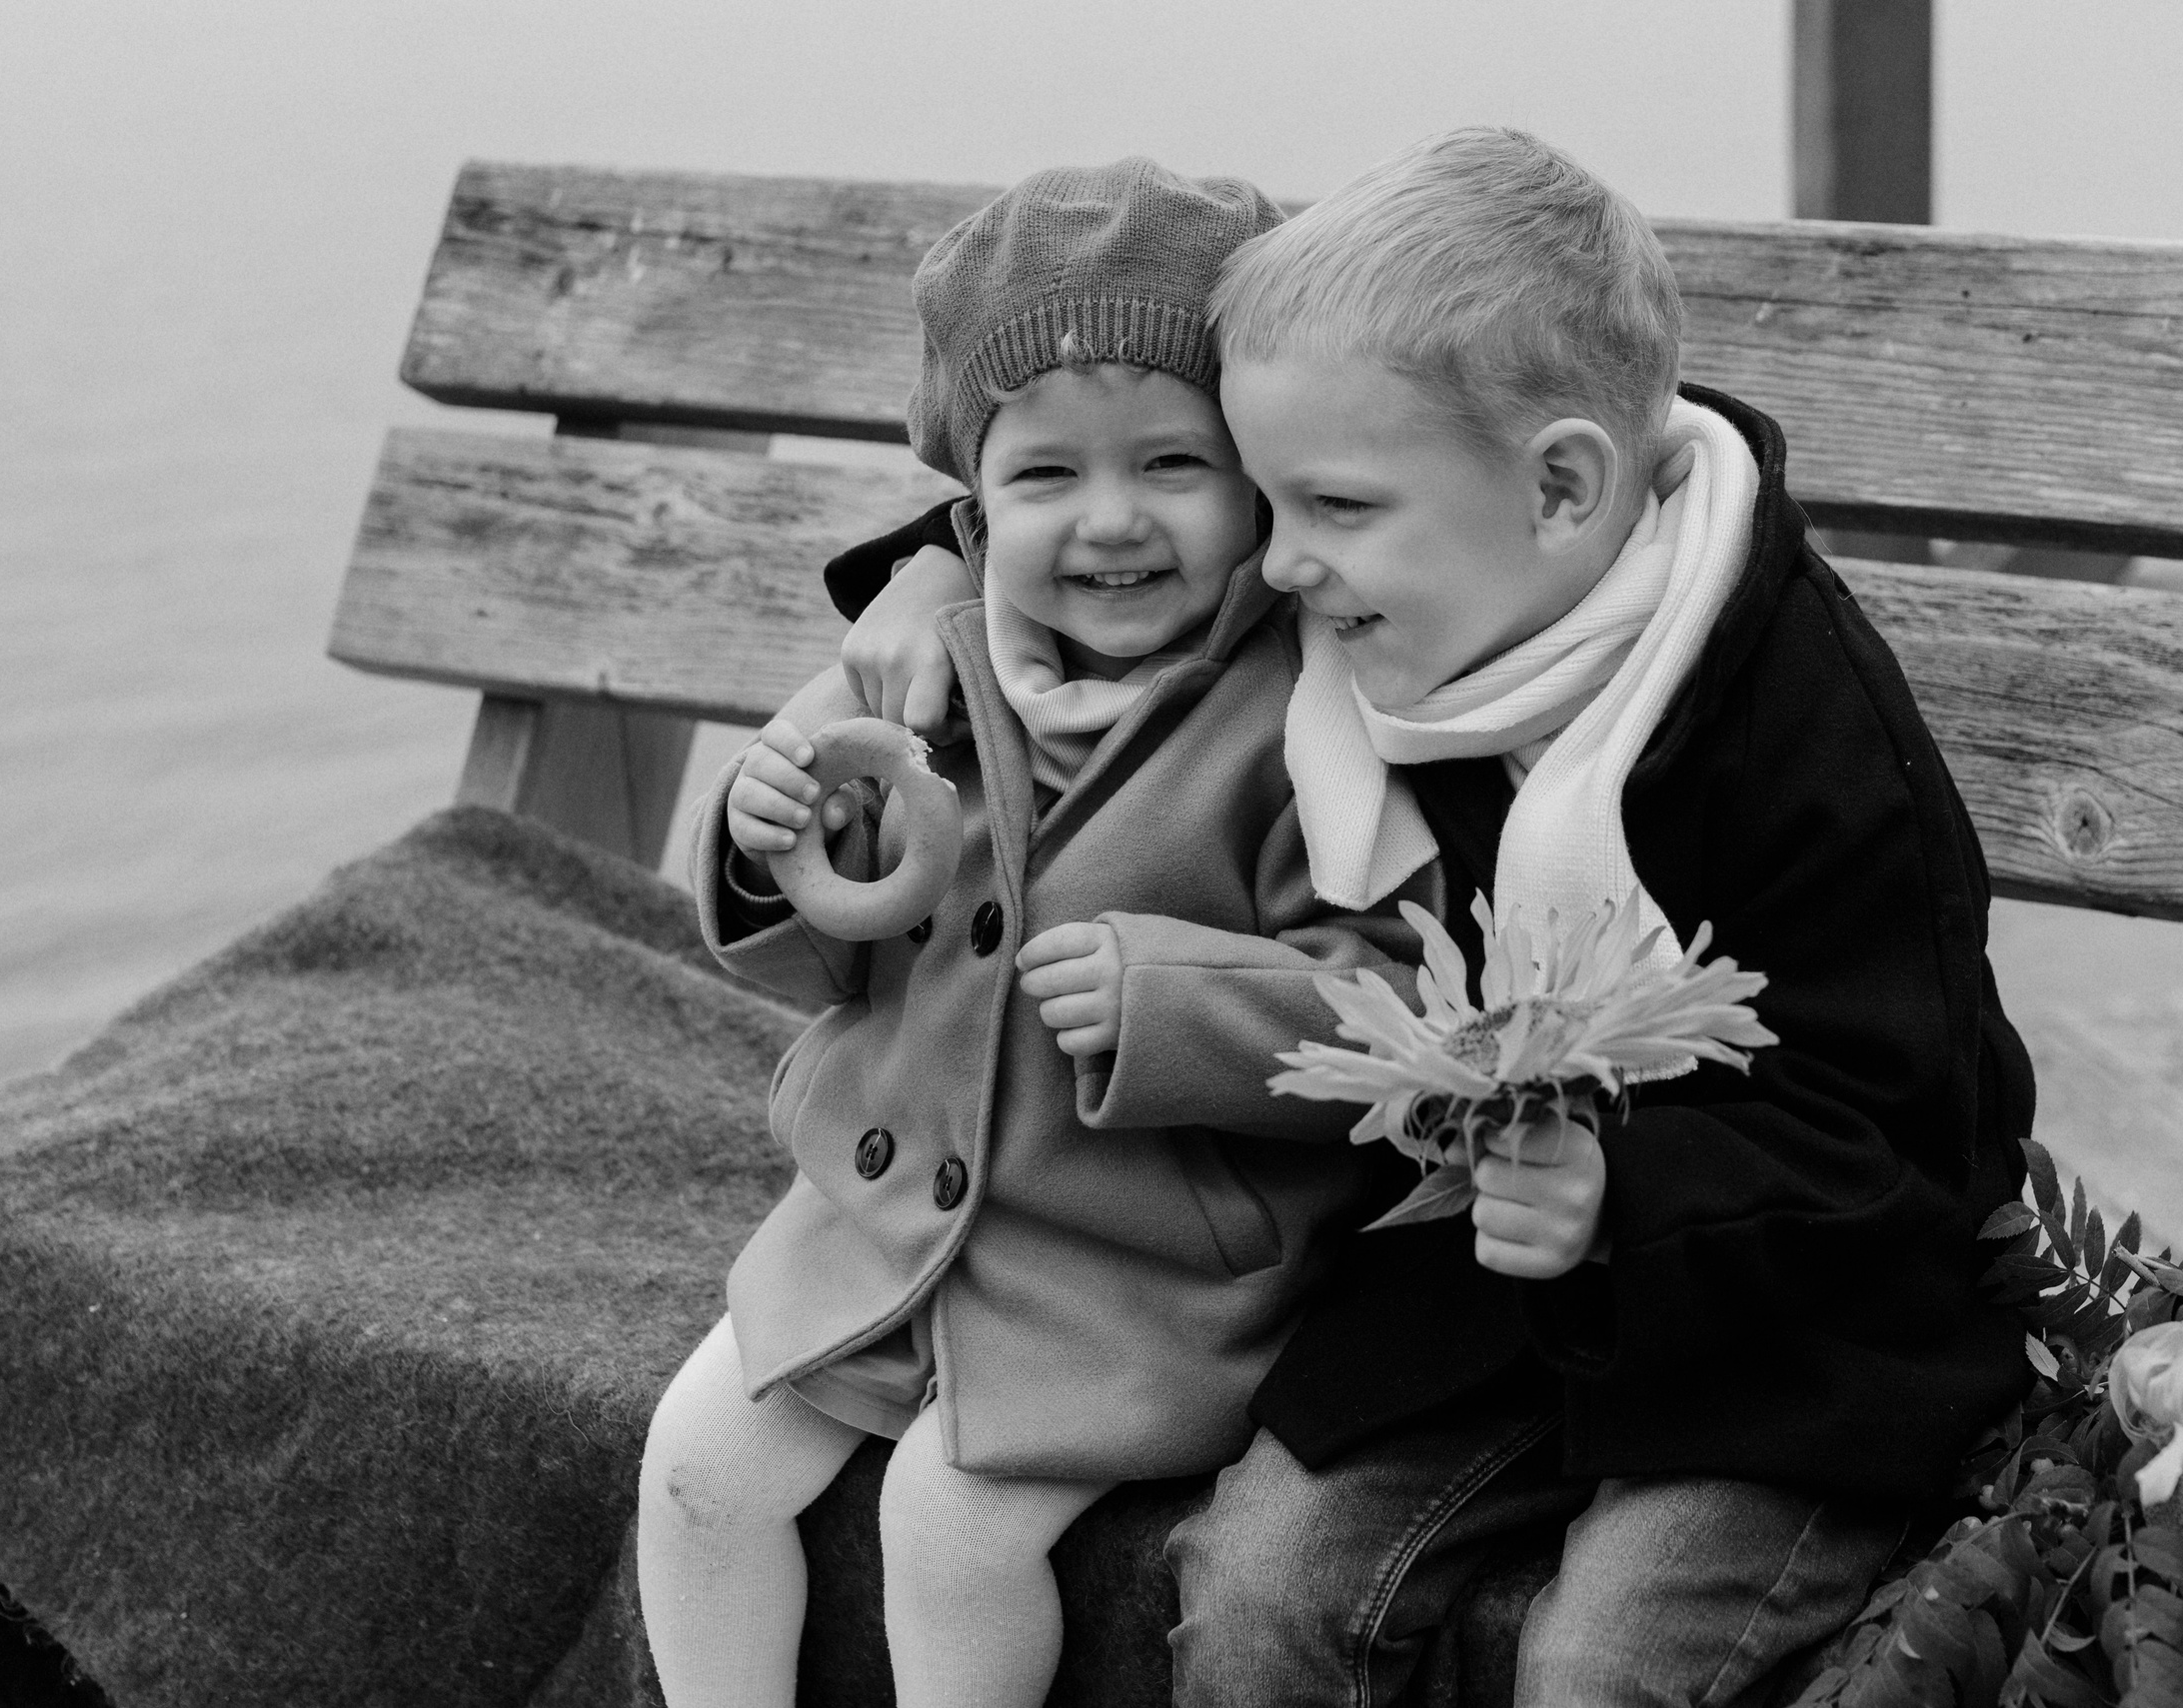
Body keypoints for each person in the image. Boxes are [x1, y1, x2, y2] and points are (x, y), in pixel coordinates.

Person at [827, 127, 2036, 1707]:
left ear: (1563, 487)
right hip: (1477, 1295)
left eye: (1325, 507)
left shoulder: (1799, 734)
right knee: (1255, 1589)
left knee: (1596, 1662)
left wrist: (1623, 1188)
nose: (1277, 565)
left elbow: (1913, 1143)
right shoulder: (1421, 578)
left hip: (1786, 1330)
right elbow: (1095, 512)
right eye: (1266, 499)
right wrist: (929, 577)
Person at [633, 158, 1431, 1708]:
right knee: (696, 1468)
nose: (1111, 520)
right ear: (973, 500)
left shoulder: (1314, 714)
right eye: (1046, 474)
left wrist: (1175, 1003)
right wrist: (779, 846)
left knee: (948, 1531)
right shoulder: (927, 665)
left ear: (1262, 473)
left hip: (1141, 1273)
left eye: (1175, 463)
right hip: (884, 1224)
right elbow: (844, 959)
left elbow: (1401, 1013)